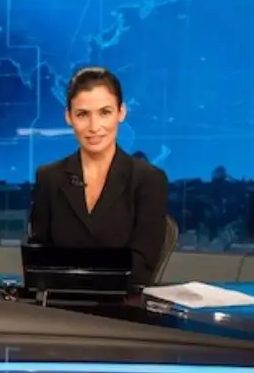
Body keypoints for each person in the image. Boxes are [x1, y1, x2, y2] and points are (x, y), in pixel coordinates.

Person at [28, 67, 169, 285]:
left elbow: (143, 265)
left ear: (121, 113)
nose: (94, 127)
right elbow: (38, 259)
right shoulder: (49, 178)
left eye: (105, 112)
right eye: (83, 114)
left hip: (123, 310)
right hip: (60, 308)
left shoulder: (148, 180)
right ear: (69, 117)